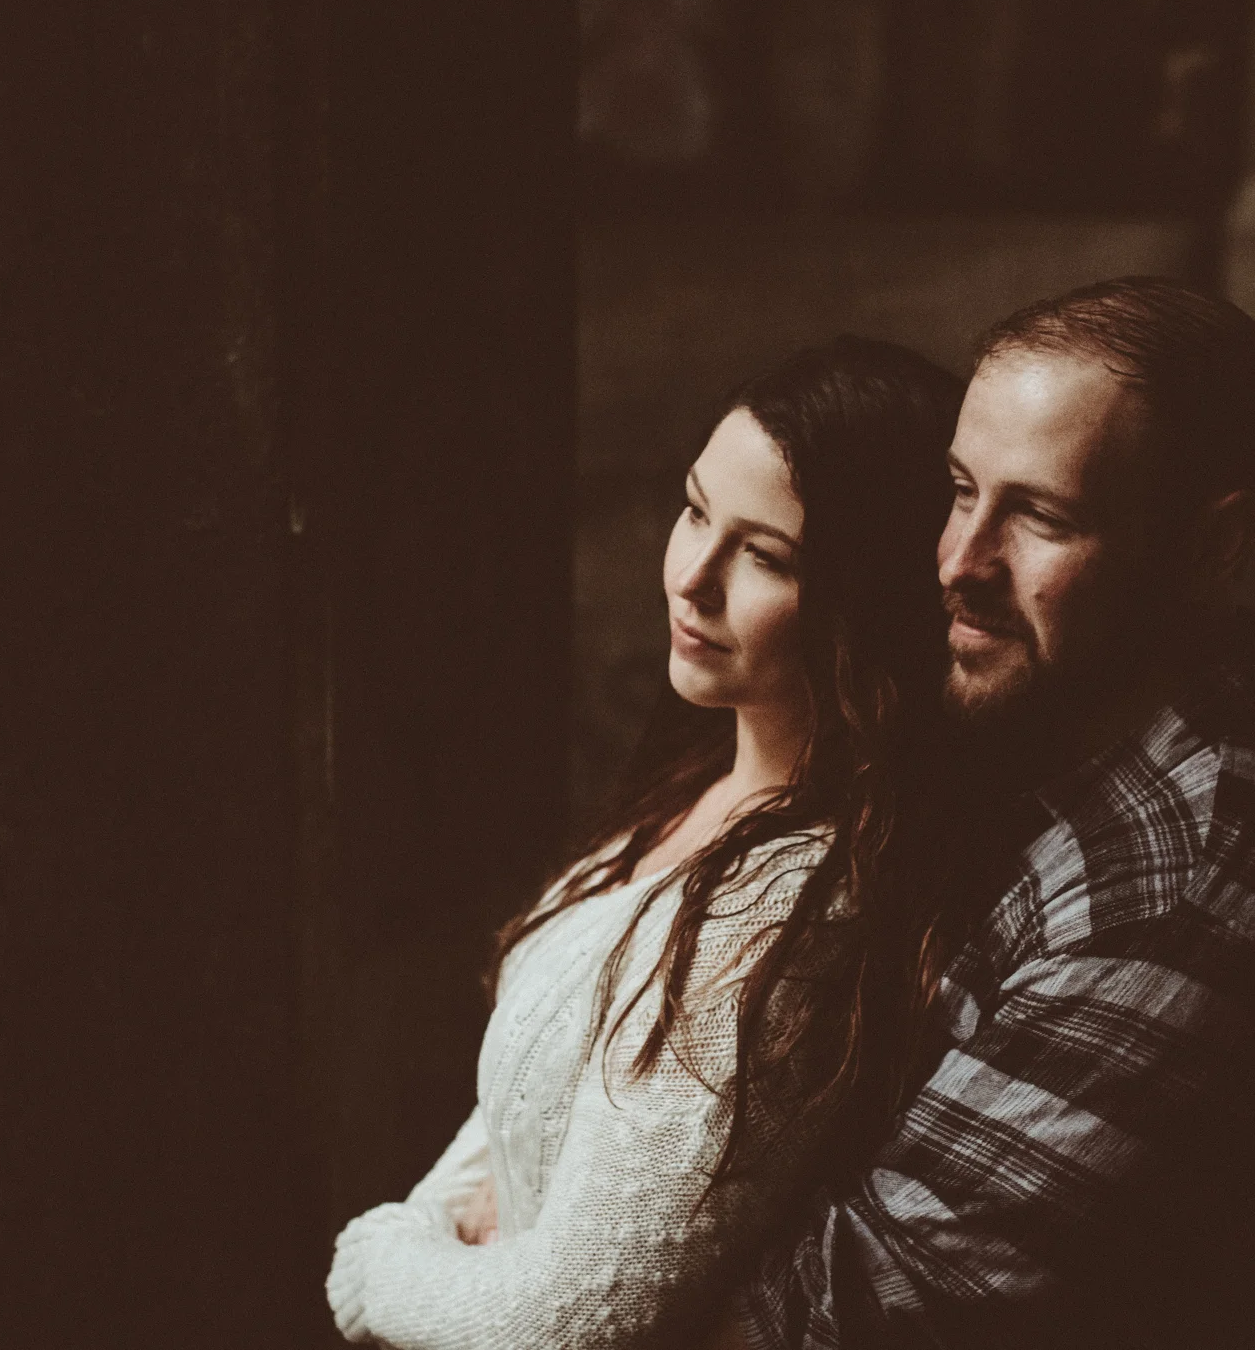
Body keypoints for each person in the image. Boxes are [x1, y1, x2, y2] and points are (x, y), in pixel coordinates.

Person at [725, 277, 1255, 1349]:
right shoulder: (1040, 738)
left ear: (1209, 549)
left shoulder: (1182, 880)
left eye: (1040, 516)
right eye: (958, 490)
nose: (957, 563)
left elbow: (845, 1319)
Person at [326, 336, 976, 1348]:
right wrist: (434, 1227)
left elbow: (561, 1323)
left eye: (764, 555)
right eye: (692, 510)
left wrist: (373, 1264)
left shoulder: (787, 906)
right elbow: (521, 1107)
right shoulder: (703, 782)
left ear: (870, 598)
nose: (693, 577)